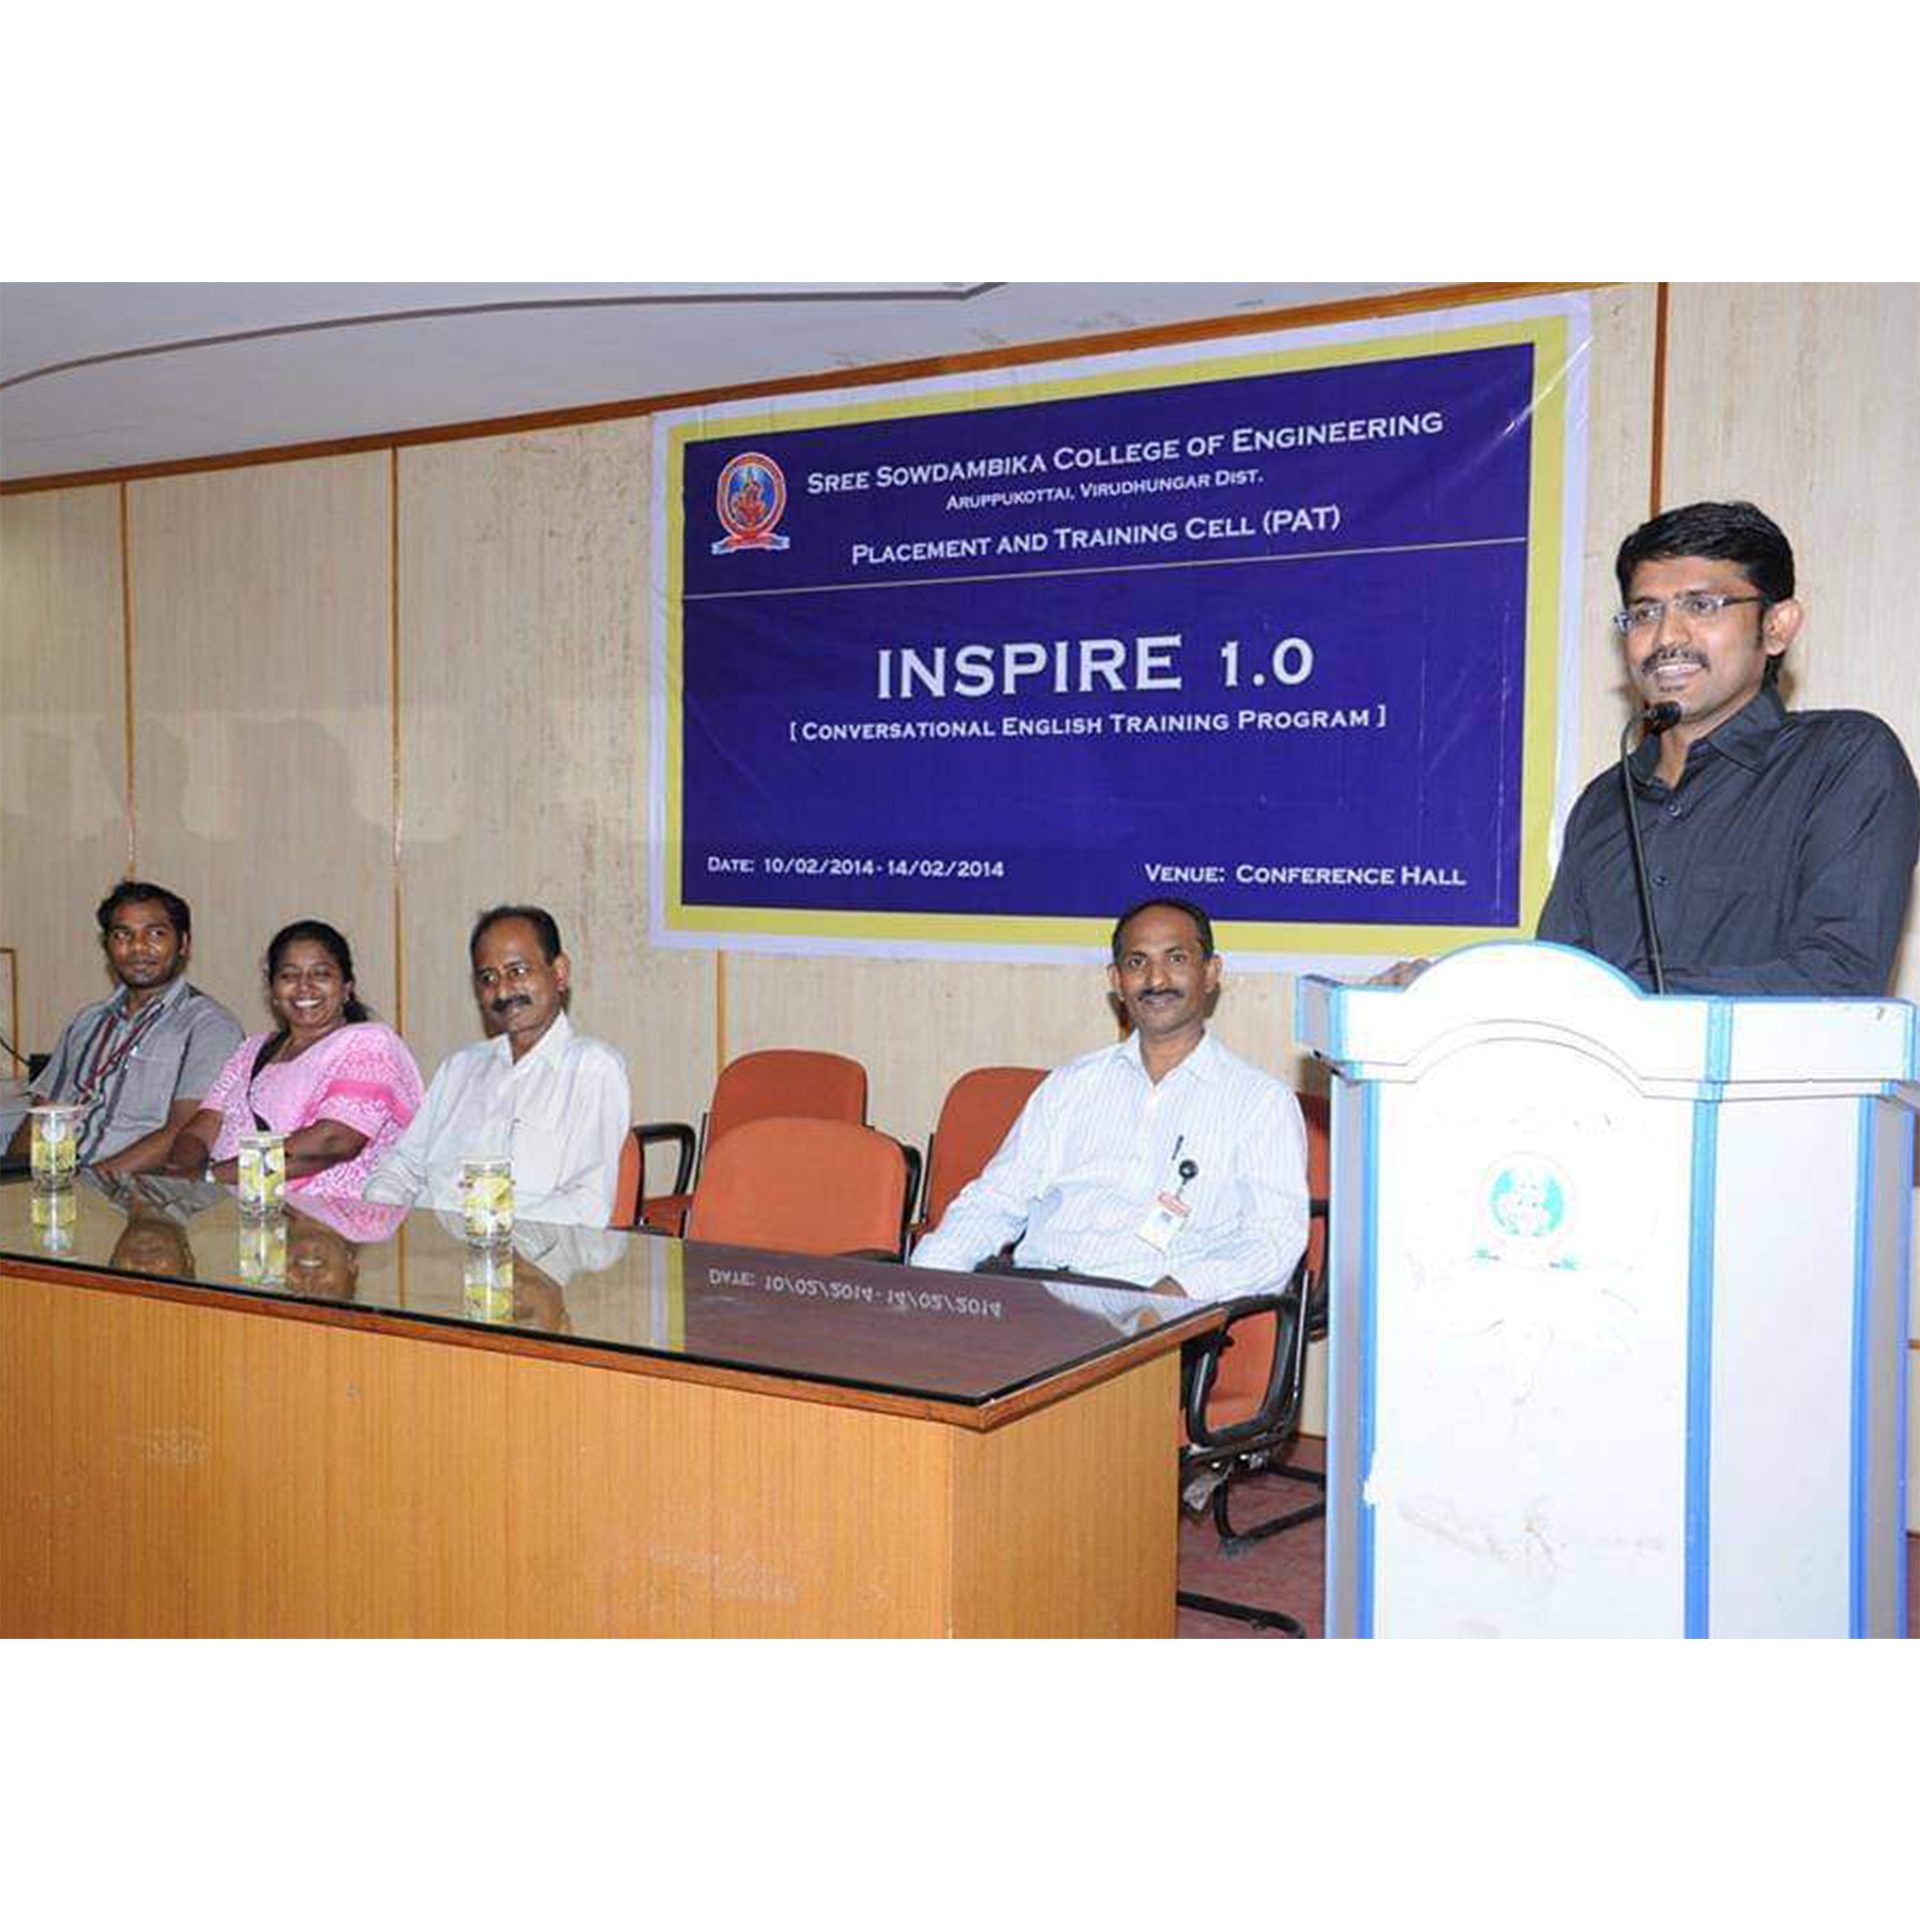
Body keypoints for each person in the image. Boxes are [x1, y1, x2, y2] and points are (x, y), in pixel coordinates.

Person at [1539, 500, 1920, 994]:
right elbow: (1554, 990)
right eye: (1645, 612)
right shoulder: (1605, 801)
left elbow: (1837, 978)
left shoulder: (1843, 761)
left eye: (1702, 606)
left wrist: (1626, 1003)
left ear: (1776, 626)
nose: (1666, 637)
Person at [912, 897, 1310, 1300]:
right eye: (1137, 962)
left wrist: (1175, 1295)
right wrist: (923, 1285)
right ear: (1117, 980)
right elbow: (994, 1201)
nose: (1156, 980)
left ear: (1210, 973)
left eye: (1176, 959)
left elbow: (1273, 1240)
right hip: (1036, 1299)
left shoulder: (1259, 1102)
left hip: (1152, 1311)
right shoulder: (1070, 1085)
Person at [363, 905, 631, 1226]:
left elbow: (587, 1207)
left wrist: (481, 1224)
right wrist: (380, 1219)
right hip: (428, 1246)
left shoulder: (592, 1068)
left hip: (525, 1253)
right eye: (488, 978)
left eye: (517, 971)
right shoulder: (460, 1068)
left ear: (559, 973)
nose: (502, 991)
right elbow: (401, 1167)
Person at [167, 920, 424, 1197]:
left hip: (325, 1218)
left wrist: (213, 1176)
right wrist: (181, 1177)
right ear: (273, 992)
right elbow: (199, 1131)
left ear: (347, 988)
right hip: (231, 1210)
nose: (305, 987)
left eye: (321, 974)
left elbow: (334, 1140)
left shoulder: (369, 1042)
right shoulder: (251, 1050)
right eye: (289, 976)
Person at [4, 881, 243, 1174]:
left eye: (155, 934)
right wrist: (14, 1179)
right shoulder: (86, 1022)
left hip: (136, 1190)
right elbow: (42, 1117)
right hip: (58, 1183)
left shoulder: (211, 1027)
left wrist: (87, 1185)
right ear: (107, 946)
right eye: (122, 935)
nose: (138, 947)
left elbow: (185, 1132)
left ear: (183, 944)